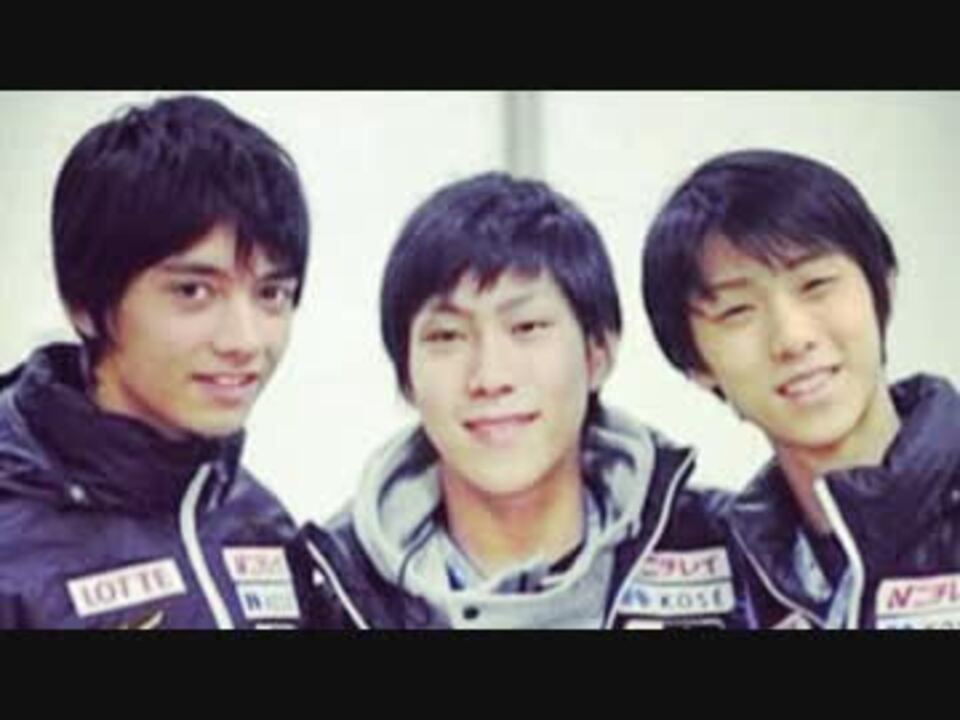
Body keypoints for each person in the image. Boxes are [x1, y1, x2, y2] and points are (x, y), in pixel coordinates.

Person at [292, 172, 746, 629]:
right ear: (407, 377)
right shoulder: (325, 598)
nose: (490, 378)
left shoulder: (731, 556)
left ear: (598, 353)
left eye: (527, 327)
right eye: (447, 336)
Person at [0, 94, 310, 629]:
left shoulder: (262, 526)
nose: (244, 340)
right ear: (84, 304)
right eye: (193, 291)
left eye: (270, 294)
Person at [642, 148, 960, 629]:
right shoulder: (724, 581)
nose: (792, 338)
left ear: (884, 288)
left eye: (815, 285)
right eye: (737, 311)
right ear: (695, 363)